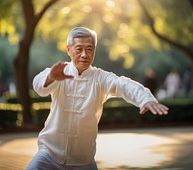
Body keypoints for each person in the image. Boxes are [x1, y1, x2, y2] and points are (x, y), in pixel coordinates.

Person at [26, 27, 169, 170]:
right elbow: (39, 86)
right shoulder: (58, 73)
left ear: (94, 50)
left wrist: (145, 99)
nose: (84, 54)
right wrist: (51, 77)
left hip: (83, 160)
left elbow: (123, 84)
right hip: (49, 154)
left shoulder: (100, 77)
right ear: (68, 50)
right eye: (78, 49)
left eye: (89, 49)